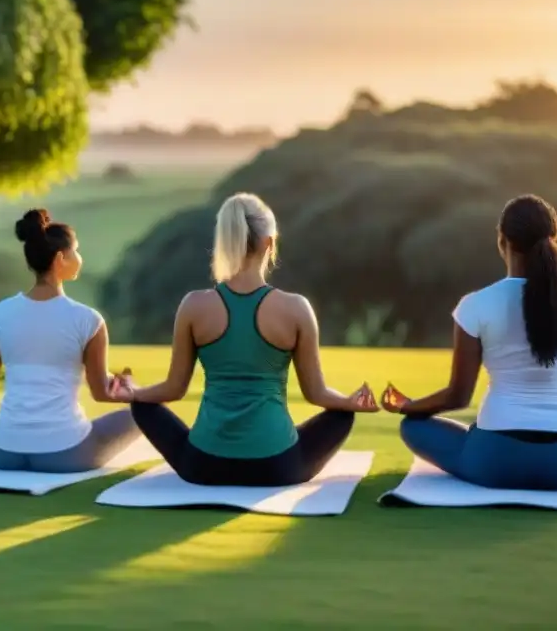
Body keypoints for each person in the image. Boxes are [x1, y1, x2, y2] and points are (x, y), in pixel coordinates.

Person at [381, 193, 557, 491]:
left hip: (493, 461)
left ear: (502, 241)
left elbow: (457, 397)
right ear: (553, 240)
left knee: (413, 425)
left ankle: (470, 446)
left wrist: (409, 406)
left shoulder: (476, 304)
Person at [109, 192, 379, 487]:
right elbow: (317, 393)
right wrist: (350, 401)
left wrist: (134, 392)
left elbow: (173, 389)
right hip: (277, 468)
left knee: (143, 405)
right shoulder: (296, 308)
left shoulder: (194, 305)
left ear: (225, 243)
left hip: (203, 466)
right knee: (342, 417)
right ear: (269, 243)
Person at [0, 209, 139, 473]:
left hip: (3, 454)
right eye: (76, 251)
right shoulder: (89, 319)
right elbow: (102, 393)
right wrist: (133, 389)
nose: (79, 258)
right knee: (148, 412)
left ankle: (10, 433)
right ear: (61, 259)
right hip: (68, 454)